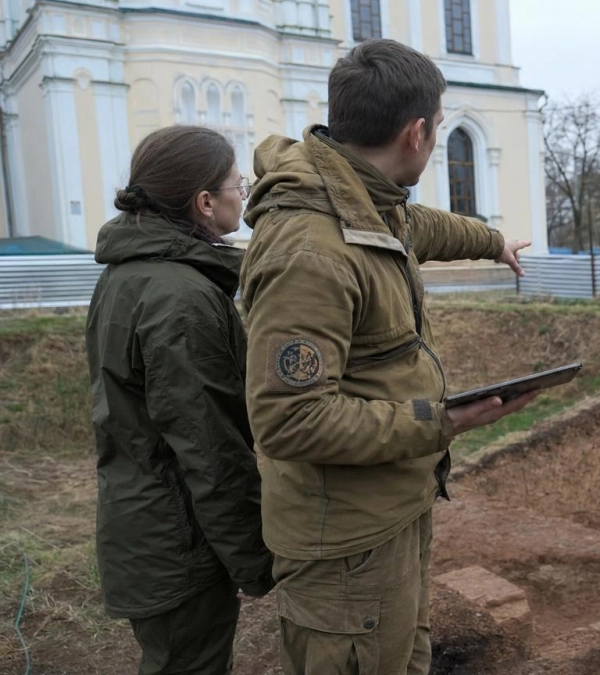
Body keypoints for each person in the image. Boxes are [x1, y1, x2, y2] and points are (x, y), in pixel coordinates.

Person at [240, 39, 537, 674]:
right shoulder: (312, 249)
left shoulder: (365, 200)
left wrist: (493, 242)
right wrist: (443, 421)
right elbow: (290, 420)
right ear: (419, 132)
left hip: (388, 508)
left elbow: (422, 226)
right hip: (347, 546)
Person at [85, 126, 275, 675]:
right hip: (177, 539)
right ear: (205, 202)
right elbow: (208, 447)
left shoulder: (130, 275)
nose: (245, 193)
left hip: (146, 523)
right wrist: (256, 560)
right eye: (238, 183)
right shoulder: (181, 298)